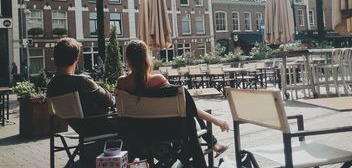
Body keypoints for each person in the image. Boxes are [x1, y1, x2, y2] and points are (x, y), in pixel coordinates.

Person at [116, 40, 230, 155]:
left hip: (135, 132)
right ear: (146, 59)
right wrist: (216, 120)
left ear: (128, 60)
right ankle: (213, 143)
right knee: (188, 108)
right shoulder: (157, 80)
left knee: (188, 107)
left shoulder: (121, 83)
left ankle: (214, 143)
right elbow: (187, 106)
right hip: (166, 131)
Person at [46, 37, 116, 167]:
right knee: (130, 127)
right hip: (98, 126)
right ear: (76, 60)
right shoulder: (82, 81)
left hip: (78, 128)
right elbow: (110, 100)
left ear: (55, 59)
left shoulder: (51, 86)